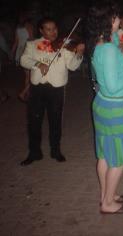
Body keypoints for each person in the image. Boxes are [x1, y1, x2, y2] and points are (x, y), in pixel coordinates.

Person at [88, 3, 123, 215]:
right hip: (114, 107)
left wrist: (116, 35)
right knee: (116, 157)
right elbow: (114, 84)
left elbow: (115, 42)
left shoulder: (102, 42)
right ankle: (107, 204)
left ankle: (106, 195)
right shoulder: (107, 50)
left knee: (105, 155)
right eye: (116, 18)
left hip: (104, 104)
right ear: (109, 22)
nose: (119, 21)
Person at [19, 18, 85, 166]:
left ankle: (56, 150)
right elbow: (23, 60)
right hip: (37, 88)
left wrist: (78, 54)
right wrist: (37, 63)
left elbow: (73, 66)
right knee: (34, 122)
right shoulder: (32, 44)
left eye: (54, 28)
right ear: (41, 31)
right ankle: (34, 152)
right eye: (48, 29)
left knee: (55, 121)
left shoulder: (65, 46)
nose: (53, 32)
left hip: (56, 89)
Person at [12, 18, 34, 102]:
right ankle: (23, 93)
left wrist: (12, 53)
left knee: (27, 76)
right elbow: (31, 39)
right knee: (33, 76)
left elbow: (16, 42)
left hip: (19, 53)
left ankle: (27, 94)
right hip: (27, 53)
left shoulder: (17, 29)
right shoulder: (29, 26)